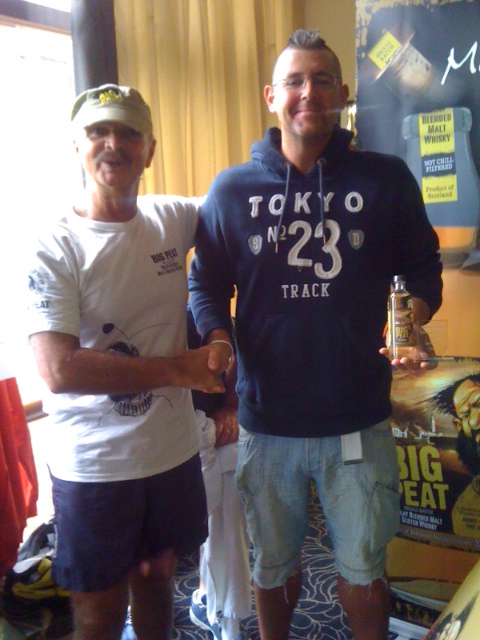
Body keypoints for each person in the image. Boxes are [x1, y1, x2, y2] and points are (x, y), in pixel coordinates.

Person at [188, 29, 443, 640]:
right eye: (295, 81)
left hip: (357, 417)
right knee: (273, 567)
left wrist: (411, 321)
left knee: (364, 568)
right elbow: (205, 284)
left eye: (322, 80)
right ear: (271, 96)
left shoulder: (387, 179)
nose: (309, 92)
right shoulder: (231, 190)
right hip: (266, 421)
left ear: (343, 93)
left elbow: (423, 268)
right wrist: (218, 341)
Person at [25, 84, 228, 640]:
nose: (113, 144)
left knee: (159, 582)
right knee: (100, 614)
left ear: (150, 150)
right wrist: (178, 369)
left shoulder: (171, 218)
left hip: (170, 453)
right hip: (95, 467)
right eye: (98, 132)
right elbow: (59, 369)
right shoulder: (53, 244)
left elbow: (239, 205)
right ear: (77, 146)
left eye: (128, 133)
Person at [187, 305, 251, 640]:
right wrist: (208, 430)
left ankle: (219, 606)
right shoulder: (145, 329)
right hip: (159, 436)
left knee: (231, 468)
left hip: (208, 435)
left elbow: (238, 394)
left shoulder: (222, 325)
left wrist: (231, 410)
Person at [433, 373, 480, 538]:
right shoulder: (464, 509)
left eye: (479, 403)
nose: (474, 421)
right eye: (466, 414)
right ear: (458, 425)